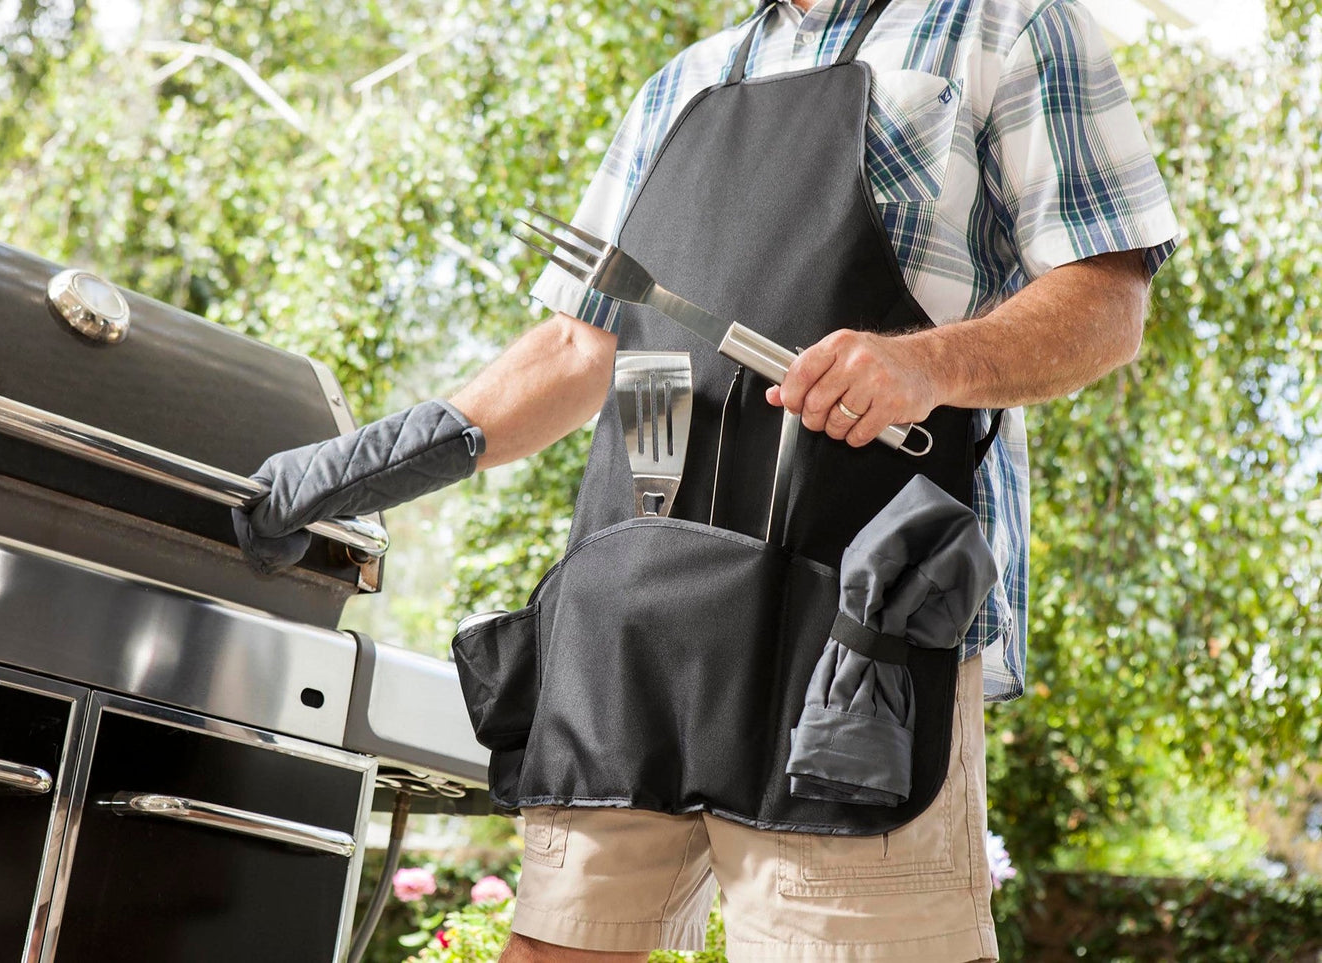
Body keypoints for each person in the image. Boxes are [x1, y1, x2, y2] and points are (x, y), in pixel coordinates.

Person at [233, 1, 1179, 960]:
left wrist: (925, 366)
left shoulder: (1003, 29)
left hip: (850, 636)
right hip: (628, 630)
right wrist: (367, 463)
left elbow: (1106, 300)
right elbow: (579, 346)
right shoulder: (686, 81)